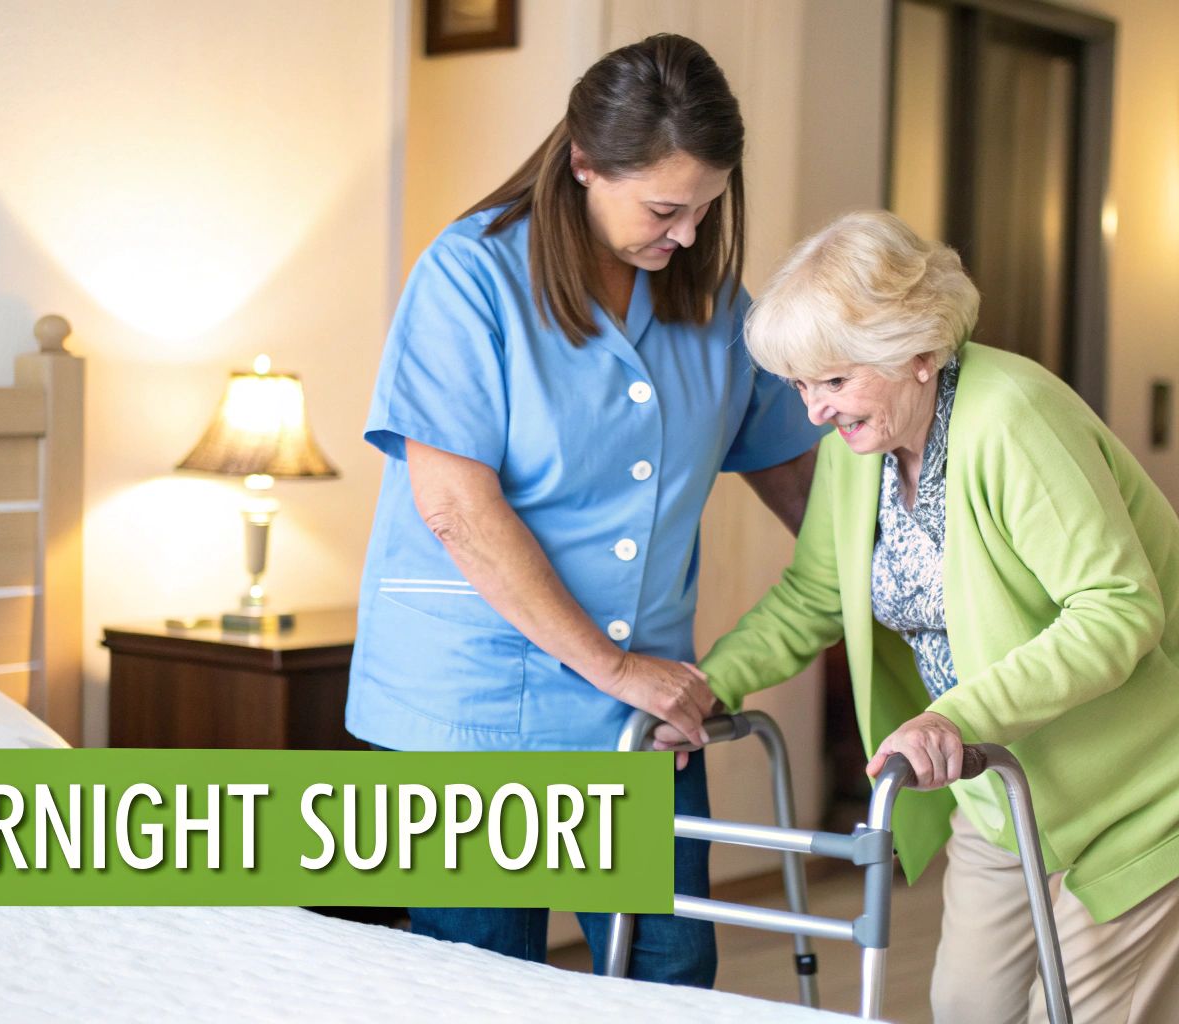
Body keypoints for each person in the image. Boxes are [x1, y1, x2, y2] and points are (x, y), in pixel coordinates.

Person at [657, 210, 1179, 1021]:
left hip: (1156, 777)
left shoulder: (1014, 418)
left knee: (1087, 1012)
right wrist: (709, 687)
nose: (814, 411)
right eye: (801, 385)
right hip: (1010, 781)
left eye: (835, 381)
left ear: (917, 353)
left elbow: (1116, 609)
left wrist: (951, 718)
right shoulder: (862, 449)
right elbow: (815, 595)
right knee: (967, 1006)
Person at [344, 34, 824, 986]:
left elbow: (806, 483)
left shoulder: (713, 308)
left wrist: (918, 585)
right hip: (474, 710)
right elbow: (456, 508)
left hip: (636, 717)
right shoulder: (469, 277)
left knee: (671, 973)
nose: (689, 234)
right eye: (665, 209)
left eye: (707, 207)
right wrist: (616, 667)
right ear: (584, 163)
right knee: (487, 985)